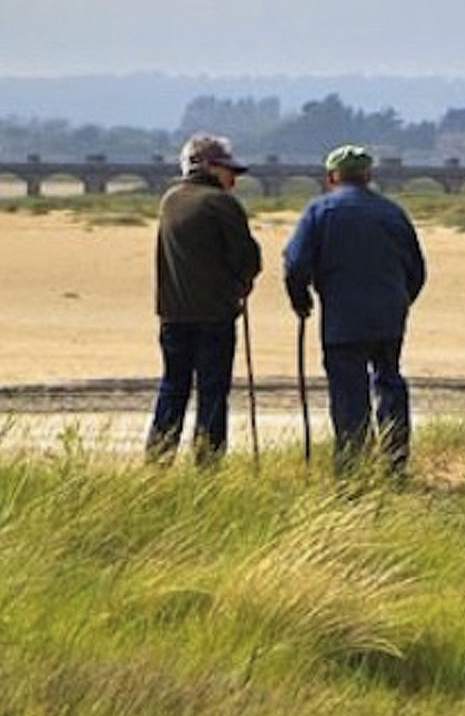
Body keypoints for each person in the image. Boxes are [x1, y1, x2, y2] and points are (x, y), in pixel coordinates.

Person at [282, 144, 427, 478]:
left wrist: (300, 300)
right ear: (368, 175)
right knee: (389, 381)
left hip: (342, 319)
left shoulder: (319, 211)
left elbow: (295, 263)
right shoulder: (393, 212)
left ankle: (351, 467)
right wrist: (401, 302)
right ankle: (394, 462)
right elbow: (416, 268)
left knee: (349, 392)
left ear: (332, 177)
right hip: (388, 316)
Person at [148, 132, 262, 464]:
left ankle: (157, 461)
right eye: (229, 172)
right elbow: (247, 258)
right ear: (210, 167)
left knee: (173, 387)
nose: (233, 181)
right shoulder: (221, 203)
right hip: (214, 315)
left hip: (172, 314)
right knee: (212, 393)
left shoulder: (170, 199)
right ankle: (208, 465)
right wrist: (242, 281)